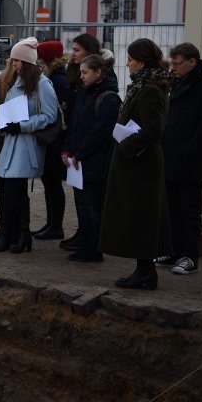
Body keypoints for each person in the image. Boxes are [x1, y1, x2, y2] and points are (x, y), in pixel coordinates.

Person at [98, 38, 173, 291]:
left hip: (141, 162)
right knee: (137, 215)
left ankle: (146, 272)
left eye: (130, 59)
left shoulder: (150, 89)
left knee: (142, 215)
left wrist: (127, 148)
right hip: (135, 160)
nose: (127, 64)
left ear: (141, 62)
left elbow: (154, 130)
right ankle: (143, 270)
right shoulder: (142, 85)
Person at [157, 43, 202, 275]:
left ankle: (189, 256)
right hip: (170, 157)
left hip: (190, 161)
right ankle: (174, 251)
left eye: (177, 63)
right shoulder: (175, 84)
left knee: (189, 212)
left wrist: (188, 148)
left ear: (192, 62)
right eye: (172, 63)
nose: (172, 68)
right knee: (171, 210)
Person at [0, 37, 59, 253]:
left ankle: (19, 234)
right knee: (12, 190)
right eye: (13, 61)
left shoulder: (42, 84)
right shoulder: (18, 82)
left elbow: (50, 116)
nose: (13, 65)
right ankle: (15, 234)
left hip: (27, 144)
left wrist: (22, 126)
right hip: (12, 142)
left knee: (15, 190)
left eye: (17, 61)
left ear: (27, 62)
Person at [61, 54, 121, 262]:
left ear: (98, 72)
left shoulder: (109, 98)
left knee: (92, 205)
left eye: (85, 72)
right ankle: (85, 243)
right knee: (81, 203)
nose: (82, 76)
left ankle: (94, 248)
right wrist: (66, 150)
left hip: (94, 161)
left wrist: (79, 153)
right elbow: (74, 125)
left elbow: (99, 132)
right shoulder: (84, 94)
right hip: (78, 160)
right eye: (81, 72)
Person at [33, 39, 70, 241]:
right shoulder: (55, 78)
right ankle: (51, 223)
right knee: (49, 183)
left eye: (40, 58)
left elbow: (59, 113)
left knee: (53, 183)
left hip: (56, 140)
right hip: (54, 140)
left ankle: (56, 225)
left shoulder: (58, 80)